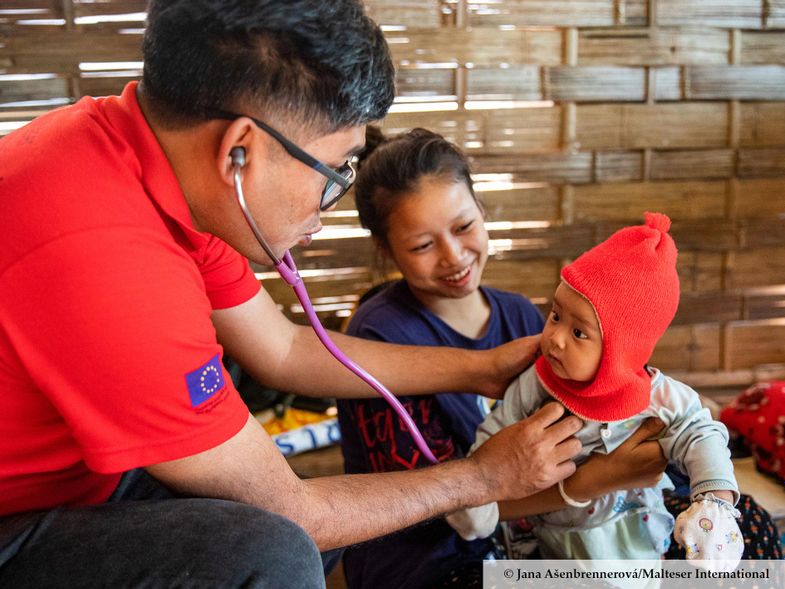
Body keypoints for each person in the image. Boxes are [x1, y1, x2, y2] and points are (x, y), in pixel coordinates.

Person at [0, 2, 591, 587]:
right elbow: (292, 512)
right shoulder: (107, 261)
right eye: (335, 172)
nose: (326, 208)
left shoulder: (152, 169)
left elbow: (281, 348)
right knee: (272, 552)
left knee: (319, 532)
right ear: (240, 151)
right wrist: (484, 478)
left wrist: (480, 370)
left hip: (79, 479)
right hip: (15, 519)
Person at [336, 129, 669, 589]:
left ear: (483, 210)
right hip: (435, 557)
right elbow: (425, 507)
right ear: (385, 249)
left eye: (464, 227)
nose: (453, 256)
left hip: (541, 528)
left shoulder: (519, 313)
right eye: (422, 246)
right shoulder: (378, 335)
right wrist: (589, 485)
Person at [449, 213, 747, 570]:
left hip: (629, 543)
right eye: (556, 316)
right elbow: (495, 436)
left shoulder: (658, 398)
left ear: (621, 350)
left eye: (579, 333)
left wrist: (715, 501)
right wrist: (475, 500)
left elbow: (702, 434)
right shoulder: (537, 382)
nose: (555, 338)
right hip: (549, 542)